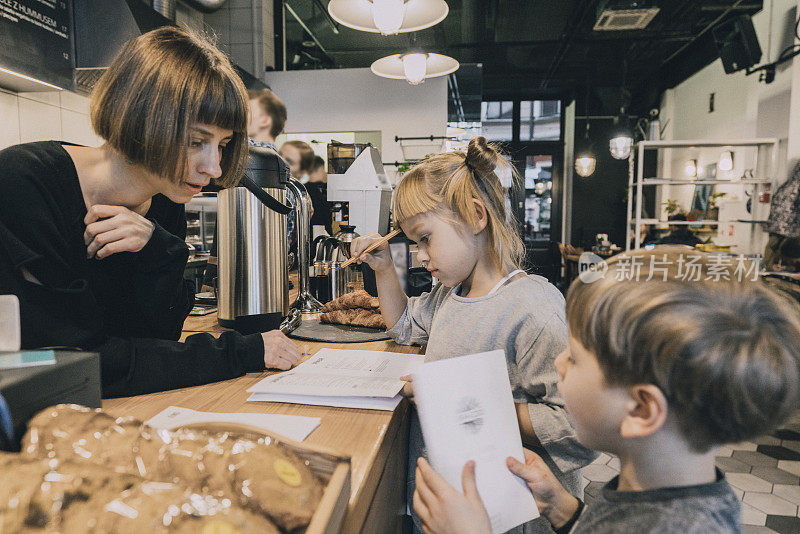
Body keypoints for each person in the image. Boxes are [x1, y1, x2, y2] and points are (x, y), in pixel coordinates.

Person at [0, 27, 300, 399]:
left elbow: (155, 339)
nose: (215, 168)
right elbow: (78, 363)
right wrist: (241, 351)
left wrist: (156, 249)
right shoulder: (23, 184)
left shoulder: (164, 199)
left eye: (222, 145)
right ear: (140, 119)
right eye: (195, 142)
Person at [413, 248, 800, 534]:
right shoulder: (662, 492)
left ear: (642, 409)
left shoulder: (681, 528)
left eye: (577, 358)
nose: (560, 362)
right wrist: (565, 511)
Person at [350, 136, 597, 534]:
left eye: (425, 238)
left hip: (507, 513)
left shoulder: (532, 308)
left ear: (476, 216)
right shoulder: (453, 293)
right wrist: (382, 269)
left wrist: (454, 398)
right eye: (413, 244)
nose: (421, 255)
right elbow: (403, 325)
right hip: (454, 507)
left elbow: (577, 426)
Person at [306, 156, 333, 235]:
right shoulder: (328, 189)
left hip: (308, 237)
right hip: (326, 238)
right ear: (321, 168)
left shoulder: (302, 189)